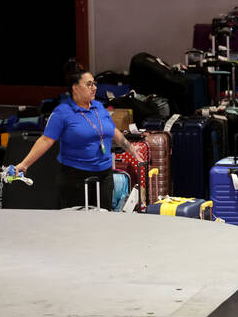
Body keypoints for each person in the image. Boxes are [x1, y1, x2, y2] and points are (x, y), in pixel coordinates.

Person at [13, 60, 145, 209]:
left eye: (94, 84)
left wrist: (131, 149)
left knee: (104, 221)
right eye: (89, 84)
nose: (94, 88)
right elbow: (45, 140)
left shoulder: (99, 107)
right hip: (75, 177)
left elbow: (113, 131)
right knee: (77, 224)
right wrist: (24, 164)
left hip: (105, 175)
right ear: (75, 88)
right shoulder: (62, 112)